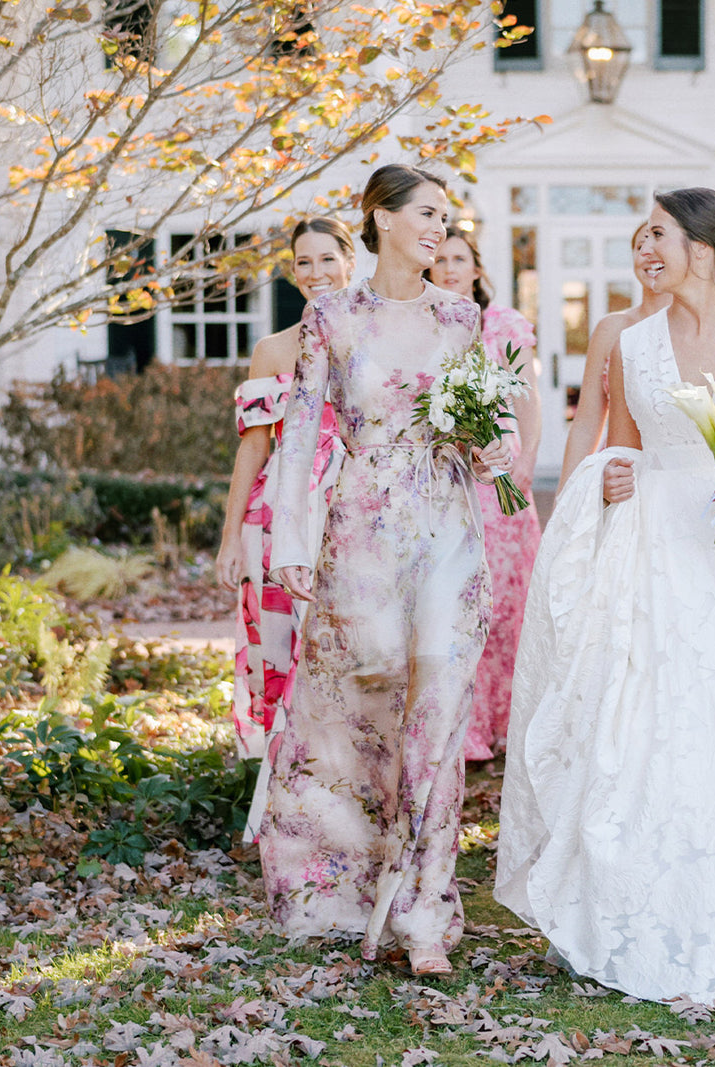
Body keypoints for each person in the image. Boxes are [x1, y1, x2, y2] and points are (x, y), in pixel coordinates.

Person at [497, 188, 715, 1003]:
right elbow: (625, 451)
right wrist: (612, 478)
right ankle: (648, 907)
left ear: (704, 249)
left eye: (661, 236)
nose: (646, 250)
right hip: (652, 558)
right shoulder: (629, 345)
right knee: (652, 731)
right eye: (642, 238)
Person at [265, 164, 510, 975]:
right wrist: (289, 540)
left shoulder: (461, 318)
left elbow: (485, 435)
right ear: (382, 219)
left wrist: (494, 447)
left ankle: (425, 907)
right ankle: (346, 879)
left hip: (446, 522)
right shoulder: (331, 316)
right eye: (428, 214)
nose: (441, 228)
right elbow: (299, 433)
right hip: (363, 524)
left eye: (448, 216)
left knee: (437, 706)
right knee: (366, 701)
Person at [214, 216, 354, 843]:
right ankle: (286, 816)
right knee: (281, 663)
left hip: (353, 512)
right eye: (305, 262)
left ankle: (352, 807)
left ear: (352, 261)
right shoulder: (272, 349)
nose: (317, 273)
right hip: (275, 522)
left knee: (347, 657)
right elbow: (251, 450)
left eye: (328, 259)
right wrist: (227, 540)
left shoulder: (374, 336)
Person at [427, 224, 542, 760]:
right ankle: (464, 727)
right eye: (441, 258)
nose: (450, 267)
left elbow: (528, 400)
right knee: (456, 599)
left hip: (502, 480)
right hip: (447, 474)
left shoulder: (505, 325)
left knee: (506, 604)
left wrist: (526, 465)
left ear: (477, 268)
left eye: (460, 258)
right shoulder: (424, 324)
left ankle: (509, 719)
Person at [556, 222, 672, 489]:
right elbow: (586, 424)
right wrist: (566, 500)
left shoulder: (698, 328)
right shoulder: (612, 328)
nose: (647, 252)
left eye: (657, 242)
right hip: (620, 478)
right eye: (639, 246)